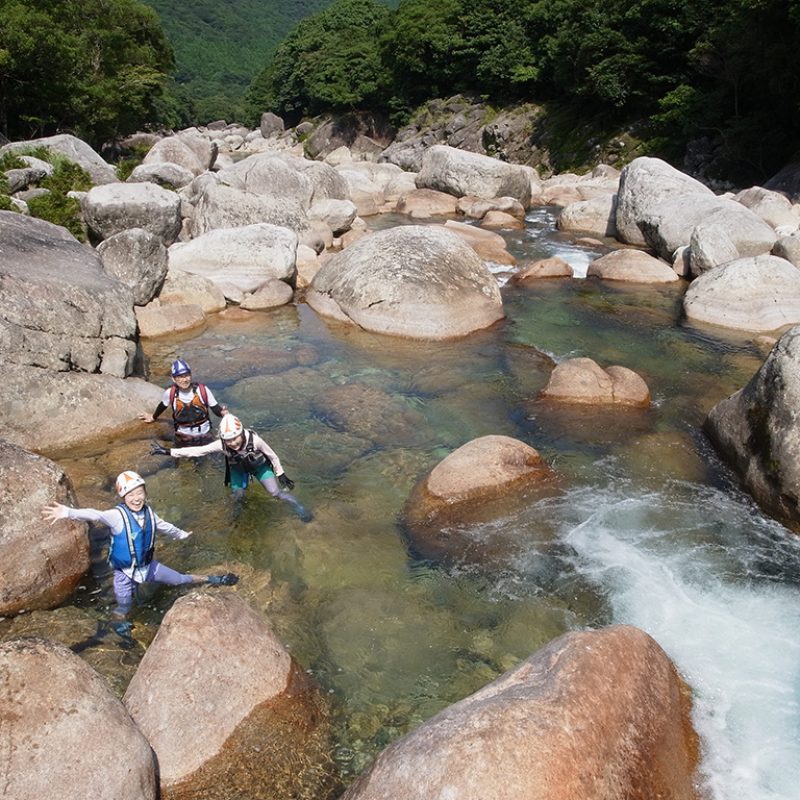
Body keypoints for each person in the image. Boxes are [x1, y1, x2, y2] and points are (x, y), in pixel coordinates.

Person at [41, 470, 238, 638]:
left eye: (139, 492)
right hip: (124, 574)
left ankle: (213, 578)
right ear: (123, 498)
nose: (136, 498)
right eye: (130, 495)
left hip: (148, 567)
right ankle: (118, 627)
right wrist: (67, 512)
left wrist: (182, 535)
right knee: (124, 607)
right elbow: (95, 514)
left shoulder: (149, 513)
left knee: (179, 579)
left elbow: (165, 527)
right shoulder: (117, 516)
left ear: (145, 492)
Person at [151, 414, 313, 522]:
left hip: (259, 467)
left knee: (276, 493)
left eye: (235, 439)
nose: (233, 444)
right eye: (229, 441)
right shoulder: (221, 444)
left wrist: (281, 474)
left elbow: (272, 456)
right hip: (238, 470)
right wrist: (168, 451)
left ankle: (299, 508)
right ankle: (238, 517)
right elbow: (196, 451)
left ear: (241, 433)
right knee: (238, 496)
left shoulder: (254, 440)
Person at [139, 358, 227, 444]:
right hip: (183, 437)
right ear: (173, 379)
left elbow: (215, 408)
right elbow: (163, 405)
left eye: (187, 375)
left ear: (191, 376)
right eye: (180, 377)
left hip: (205, 435)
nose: (184, 380)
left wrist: (223, 413)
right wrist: (153, 417)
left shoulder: (202, 390)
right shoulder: (170, 393)